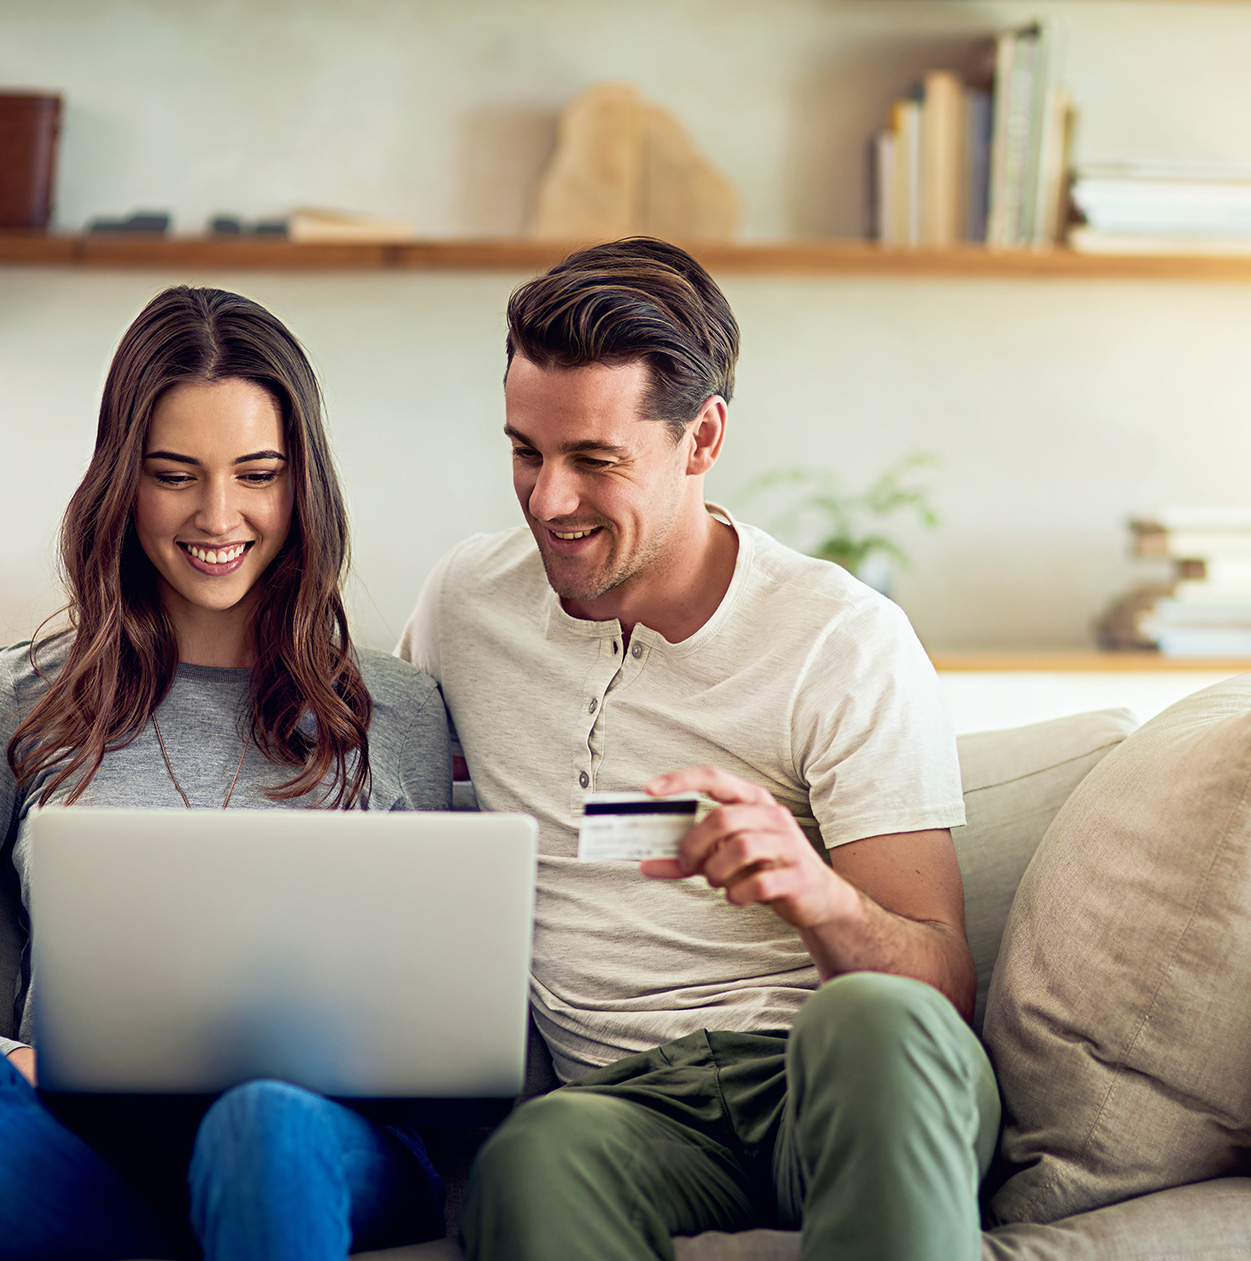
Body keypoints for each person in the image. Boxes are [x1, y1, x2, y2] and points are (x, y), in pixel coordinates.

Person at [397, 237, 1000, 1261]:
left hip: (836, 1073)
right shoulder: (467, 603)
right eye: (526, 452)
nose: (549, 500)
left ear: (703, 435)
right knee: (534, 1151)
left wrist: (814, 893)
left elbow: (938, 989)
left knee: (873, 1024)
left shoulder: (840, 637)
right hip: (632, 1107)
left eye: (595, 461)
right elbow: (375, 790)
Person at [0, 286, 451, 1261]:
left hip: (314, 1140)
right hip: (95, 1150)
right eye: (174, 474)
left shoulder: (399, 709)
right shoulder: (22, 707)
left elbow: (440, 1012)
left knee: (258, 1126)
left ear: (304, 484)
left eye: (258, 473)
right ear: (124, 482)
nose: (219, 515)